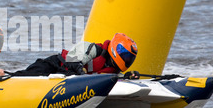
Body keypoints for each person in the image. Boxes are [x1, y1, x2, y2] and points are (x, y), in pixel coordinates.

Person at [10, 33, 139, 78]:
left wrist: (128, 77)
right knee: (28, 75)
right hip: (54, 65)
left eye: (130, 58)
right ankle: (5, 78)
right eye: (126, 56)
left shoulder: (113, 70)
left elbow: (114, 80)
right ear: (117, 49)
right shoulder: (94, 49)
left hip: (67, 78)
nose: (127, 60)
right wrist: (79, 68)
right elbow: (73, 59)